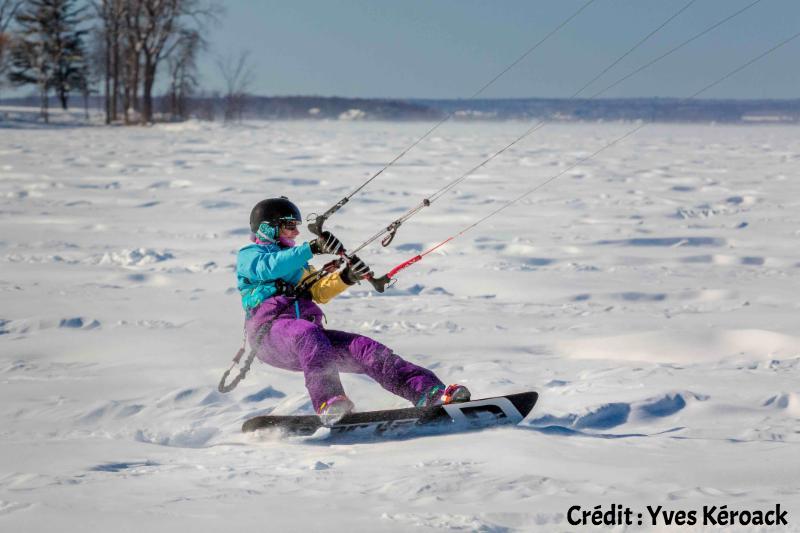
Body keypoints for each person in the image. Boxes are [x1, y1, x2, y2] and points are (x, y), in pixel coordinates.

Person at [237, 196, 470, 424]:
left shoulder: (297, 263)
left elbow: (319, 292)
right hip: (269, 338)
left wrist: (347, 276)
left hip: (311, 341)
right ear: (268, 228)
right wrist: (312, 248)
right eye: (290, 226)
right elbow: (266, 268)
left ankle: (429, 393)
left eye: (296, 227)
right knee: (306, 332)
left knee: (365, 349)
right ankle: (329, 403)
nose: (296, 233)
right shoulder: (250, 255)